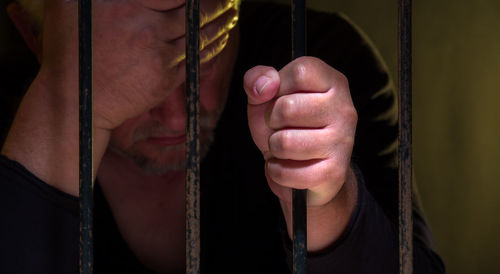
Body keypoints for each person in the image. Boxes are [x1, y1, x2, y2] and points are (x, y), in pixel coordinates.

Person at [0, 0, 445, 273]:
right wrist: (65, 96)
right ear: (32, 34)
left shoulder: (315, 56)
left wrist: (330, 205)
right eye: (123, 68)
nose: (177, 116)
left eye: (206, 52)